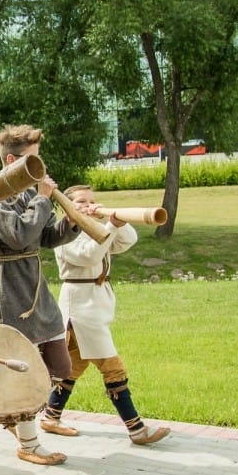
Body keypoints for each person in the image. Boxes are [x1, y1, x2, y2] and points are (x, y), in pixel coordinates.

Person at [0, 124, 78, 466]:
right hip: (11, 283)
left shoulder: (25, 193)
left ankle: (16, 415)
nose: (40, 168)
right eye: (32, 161)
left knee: (59, 365)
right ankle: (28, 440)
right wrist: (45, 198)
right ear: (10, 160)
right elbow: (19, 236)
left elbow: (44, 237)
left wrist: (73, 222)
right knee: (25, 367)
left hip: (34, 280)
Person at [42, 185, 171, 445]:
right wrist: (108, 227)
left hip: (96, 303)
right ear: (67, 206)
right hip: (80, 306)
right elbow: (90, 255)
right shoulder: (63, 234)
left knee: (74, 365)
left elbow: (127, 241)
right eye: (80, 202)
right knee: (112, 367)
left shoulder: (94, 227)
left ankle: (50, 416)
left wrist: (117, 222)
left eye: (92, 200)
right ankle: (136, 429)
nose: (89, 205)